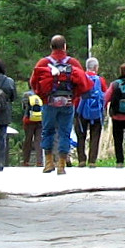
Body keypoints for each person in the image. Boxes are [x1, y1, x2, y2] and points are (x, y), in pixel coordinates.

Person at [31, 35, 91, 175]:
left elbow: (34, 82)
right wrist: (74, 97)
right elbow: (83, 82)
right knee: (65, 132)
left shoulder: (43, 62)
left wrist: (43, 97)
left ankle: (49, 163)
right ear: (65, 47)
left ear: (51, 47)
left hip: (49, 102)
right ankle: (61, 165)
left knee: (47, 131)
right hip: (68, 103)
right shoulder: (73, 63)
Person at [74, 57, 107, 167]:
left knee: (80, 135)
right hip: (96, 111)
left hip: (81, 110)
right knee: (95, 135)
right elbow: (105, 95)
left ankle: (81, 159)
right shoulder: (100, 80)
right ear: (96, 67)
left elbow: (76, 94)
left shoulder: (81, 78)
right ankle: (92, 160)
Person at [0, 59, 17, 172]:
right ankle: (0, 161)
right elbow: (13, 97)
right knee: (2, 136)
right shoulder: (9, 81)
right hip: (4, 111)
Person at [20, 85, 44, 168]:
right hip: (40, 119)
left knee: (28, 140)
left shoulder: (26, 94)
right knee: (39, 140)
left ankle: (26, 161)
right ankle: (39, 161)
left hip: (28, 120)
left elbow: (24, 107)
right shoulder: (41, 93)